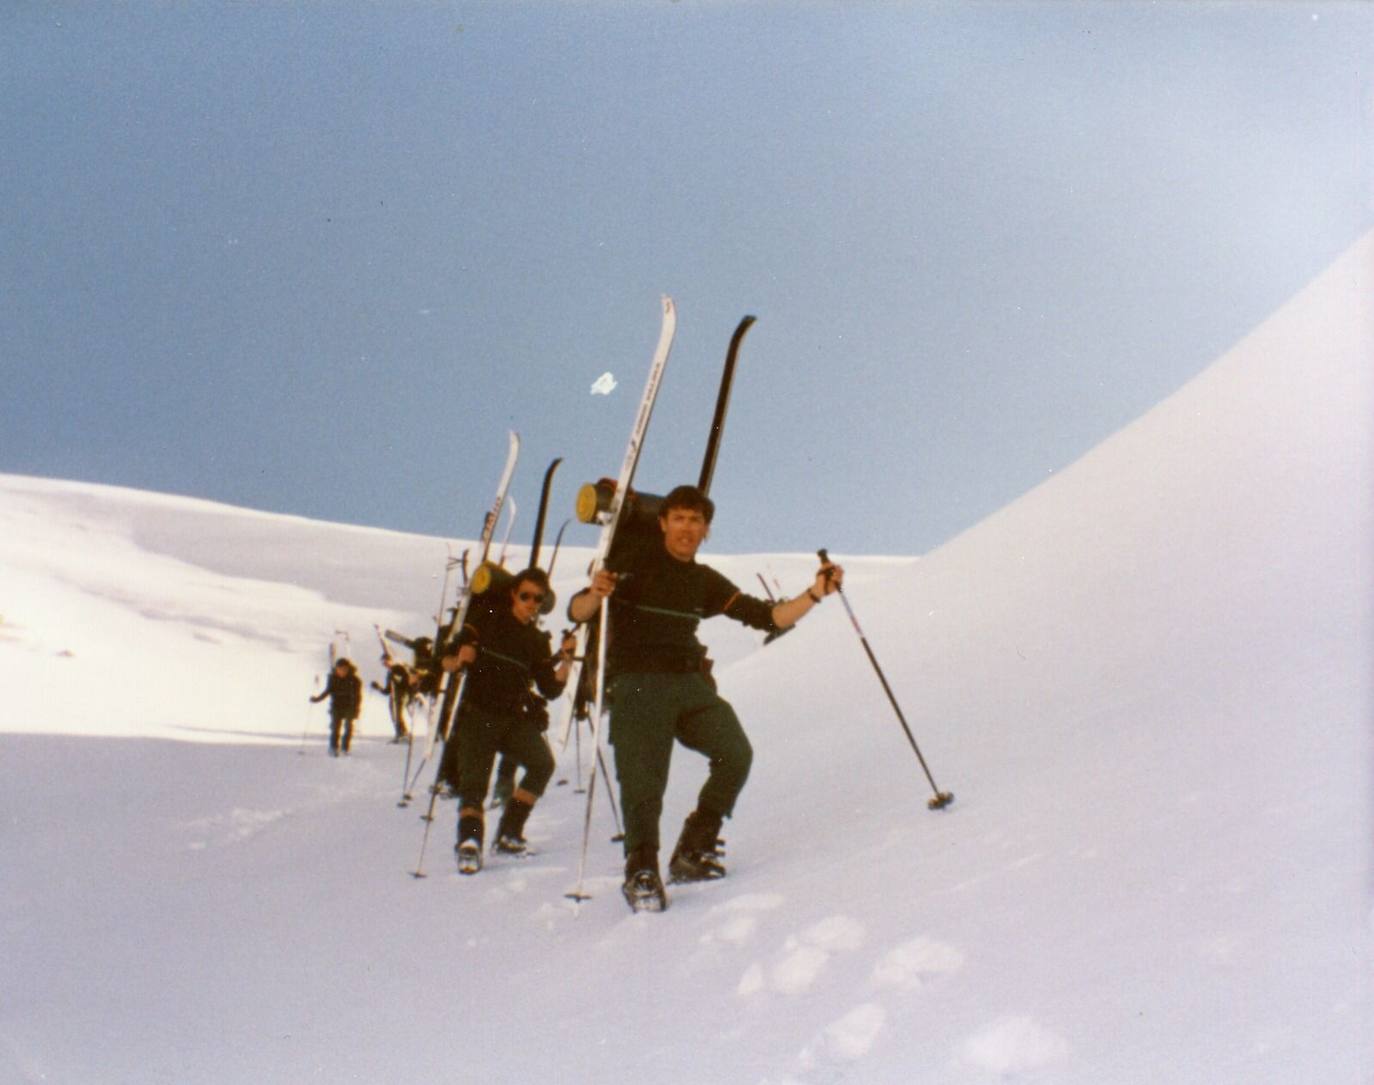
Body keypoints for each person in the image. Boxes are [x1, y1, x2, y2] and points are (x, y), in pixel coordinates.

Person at [567, 484, 843, 911]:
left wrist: (815, 594)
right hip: (637, 684)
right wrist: (595, 593)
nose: (687, 528)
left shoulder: (704, 580)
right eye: (678, 518)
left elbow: (767, 616)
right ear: (662, 523)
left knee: (735, 753)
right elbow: (577, 612)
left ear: (706, 530)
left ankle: (694, 850)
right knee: (644, 781)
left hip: (689, 685)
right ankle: (641, 869)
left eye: (696, 521)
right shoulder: (631, 566)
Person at [439, 568, 576, 874]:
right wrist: (459, 660)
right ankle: (469, 844)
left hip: (513, 718)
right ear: (513, 594)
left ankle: (509, 833)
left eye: (538, 598)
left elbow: (551, 689)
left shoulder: (538, 640)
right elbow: (445, 660)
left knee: (542, 764)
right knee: (474, 785)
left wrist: (566, 660)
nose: (531, 603)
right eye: (525, 595)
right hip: (479, 715)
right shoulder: (487, 622)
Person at [311, 658, 363, 757]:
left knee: (349, 727)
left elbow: (358, 696)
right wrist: (317, 699)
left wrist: (357, 709)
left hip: (349, 706)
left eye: (345, 669)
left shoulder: (355, 680)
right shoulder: (333, 678)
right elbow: (328, 691)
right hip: (336, 706)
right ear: (336, 669)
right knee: (335, 727)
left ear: (348, 669)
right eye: (340, 669)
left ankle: (345, 747)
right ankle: (333, 747)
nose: (342, 671)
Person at [372, 658, 417, 742]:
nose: (385, 664)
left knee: (397, 714)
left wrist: (409, 695)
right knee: (394, 714)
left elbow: (406, 682)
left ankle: (403, 733)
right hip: (394, 696)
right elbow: (387, 690)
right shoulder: (390, 672)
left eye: (386, 662)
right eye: (383, 663)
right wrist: (378, 687)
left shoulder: (399, 668)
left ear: (391, 661)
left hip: (401, 695)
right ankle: (400, 733)